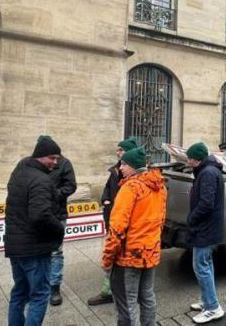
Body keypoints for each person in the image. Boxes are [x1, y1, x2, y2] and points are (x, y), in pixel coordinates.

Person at [102, 147, 167, 326]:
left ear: (133, 167)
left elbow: (116, 228)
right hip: (150, 252)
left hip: (129, 256)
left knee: (126, 302)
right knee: (147, 296)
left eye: (124, 164)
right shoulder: (159, 186)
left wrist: (107, 260)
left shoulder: (130, 188)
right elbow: (160, 221)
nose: (121, 167)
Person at [5, 137, 65, 326]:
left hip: (16, 246)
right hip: (34, 249)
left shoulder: (19, 172)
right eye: (52, 158)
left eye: (57, 159)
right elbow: (40, 215)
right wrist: (59, 228)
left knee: (19, 292)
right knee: (39, 295)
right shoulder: (41, 180)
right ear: (40, 156)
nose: (55, 163)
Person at [88, 137, 139, 306]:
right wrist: (106, 200)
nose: (117, 152)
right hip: (112, 218)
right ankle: (110, 290)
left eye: (121, 149)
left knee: (118, 258)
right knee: (114, 256)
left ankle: (112, 291)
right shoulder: (116, 171)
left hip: (124, 223)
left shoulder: (133, 176)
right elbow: (107, 189)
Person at [186, 142, 225, 324]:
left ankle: (212, 308)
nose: (188, 161)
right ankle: (206, 300)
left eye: (190, 158)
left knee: (201, 267)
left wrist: (192, 218)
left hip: (205, 228)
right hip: (207, 227)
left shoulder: (208, 173)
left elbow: (206, 203)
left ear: (197, 159)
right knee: (205, 265)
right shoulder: (207, 170)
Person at [39, 136, 77, 306]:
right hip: (37, 214)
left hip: (57, 214)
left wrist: (54, 195)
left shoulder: (65, 164)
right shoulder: (32, 164)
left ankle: (54, 286)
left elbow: (71, 186)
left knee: (55, 251)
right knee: (37, 251)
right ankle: (37, 285)